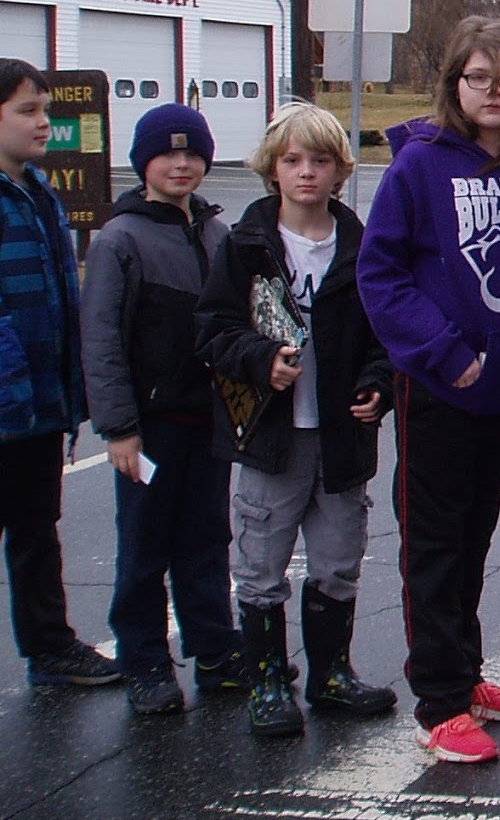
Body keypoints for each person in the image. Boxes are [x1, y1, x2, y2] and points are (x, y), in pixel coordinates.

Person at [358, 17, 500, 764]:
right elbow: (380, 274)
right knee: (434, 544)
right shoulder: (418, 165)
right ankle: (438, 699)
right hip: (443, 388)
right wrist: (443, 352)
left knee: (474, 540)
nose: (495, 91)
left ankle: (466, 673)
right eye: (480, 77)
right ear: (455, 83)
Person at [195, 102, 396, 737]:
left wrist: (377, 386)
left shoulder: (362, 246)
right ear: (271, 169)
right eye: (292, 161)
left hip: (339, 439)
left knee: (338, 559)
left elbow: (384, 335)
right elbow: (214, 330)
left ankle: (331, 673)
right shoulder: (247, 246)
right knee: (261, 563)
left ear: (340, 171)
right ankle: (266, 680)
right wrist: (260, 361)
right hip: (270, 438)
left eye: (320, 161)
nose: (306, 173)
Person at [81, 103, 245, 714]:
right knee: (145, 543)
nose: (181, 164)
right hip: (149, 426)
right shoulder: (121, 239)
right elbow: (100, 340)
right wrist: (118, 427)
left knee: (206, 537)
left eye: (193, 153)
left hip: (208, 421)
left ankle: (215, 649)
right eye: (167, 154)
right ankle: (145, 658)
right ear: (143, 162)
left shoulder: (215, 233)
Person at [0, 58, 120, 690]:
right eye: (26, 111)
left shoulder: (38, 192)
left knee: (36, 529)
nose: (44, 123)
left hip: (36, 407)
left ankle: (49, 646)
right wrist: (16, 392)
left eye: (44, 109)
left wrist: (66, 390)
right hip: (9, 404)